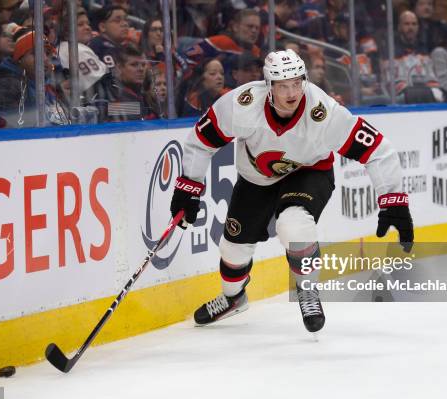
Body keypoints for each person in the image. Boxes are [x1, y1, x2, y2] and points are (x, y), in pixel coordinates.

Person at [169, 49, 414, 332]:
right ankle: (233, 299)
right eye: (283, 85)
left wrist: (394, 202)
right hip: (256, 179)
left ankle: (307, 290)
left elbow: (377, 150)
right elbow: (201, 141)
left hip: (309, 172)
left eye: (297, 83)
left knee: (294, 224)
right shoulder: (242, 104)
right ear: (268, 87)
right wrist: (188, 188)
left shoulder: (324, 113)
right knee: (233, 249)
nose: (292, 92)